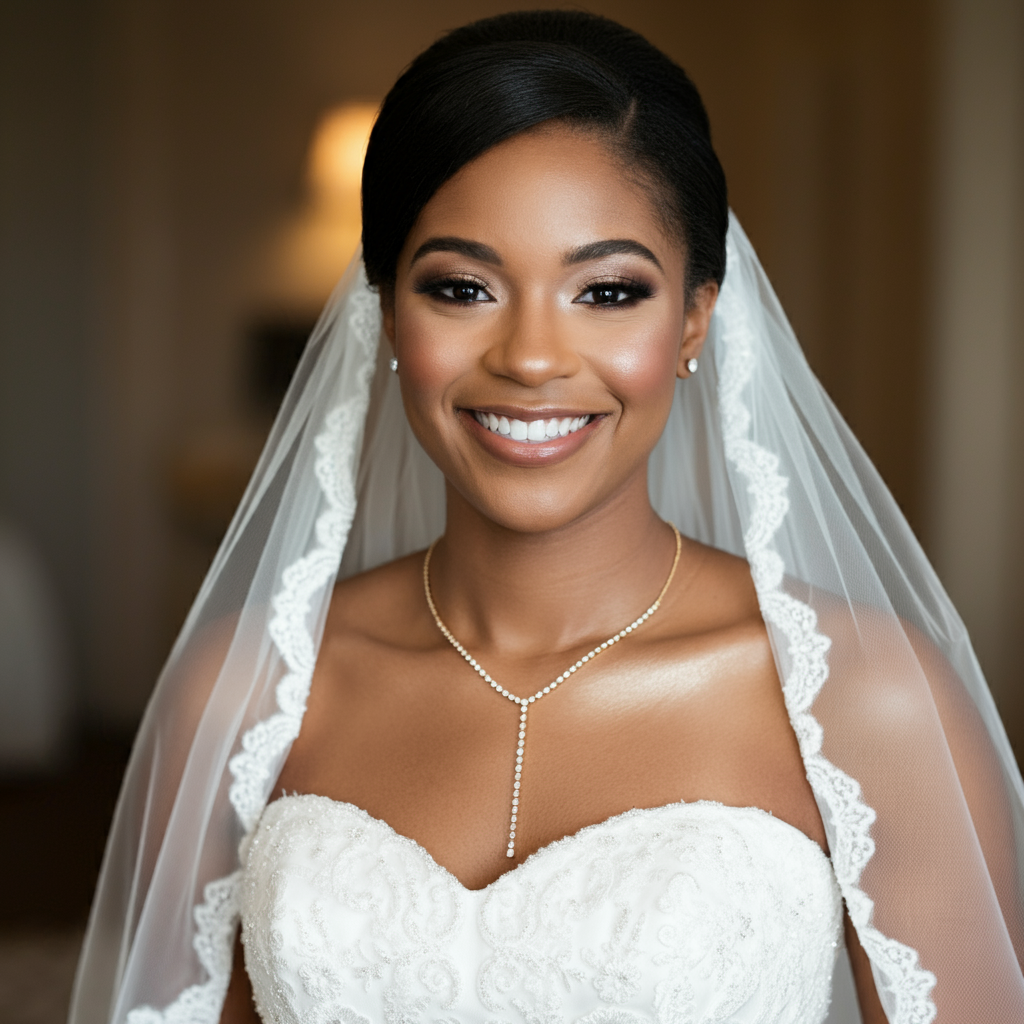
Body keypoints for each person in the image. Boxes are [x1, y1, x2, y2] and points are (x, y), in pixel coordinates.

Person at [70, 11, 1024, 1024]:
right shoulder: (239, 690)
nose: (530, 357)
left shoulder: (869, 696)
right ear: (389, 314)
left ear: (695, 319)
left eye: (606, 290)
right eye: (463, 287)